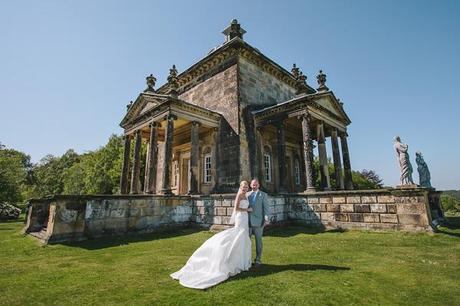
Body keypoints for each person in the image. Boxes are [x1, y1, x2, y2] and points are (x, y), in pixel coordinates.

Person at [170, 181, 253, 289]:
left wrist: (254, 190)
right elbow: (236, 209)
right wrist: (247, 209)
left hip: (244, 217)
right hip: (241, 217)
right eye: (244, 186)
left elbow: (253, 192)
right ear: (240, 187)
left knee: (243, 237)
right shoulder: (239, 195)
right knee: (238, 235)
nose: (245, 188)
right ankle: (231, 259)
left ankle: (242, 261)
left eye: (247, 187)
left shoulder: (246, 195)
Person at [247, 179, 270, 267]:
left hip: (259, 222)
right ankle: (247, 259)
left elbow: (266, 209)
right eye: (253, 185)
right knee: (246, 242)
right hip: (248, 222)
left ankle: (258, 259)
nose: (254, 186)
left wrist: (266, 219)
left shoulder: (263, 195)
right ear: (250, 185)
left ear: (259, 185)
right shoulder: (247, 194)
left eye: (256, 185)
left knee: (258, 242)